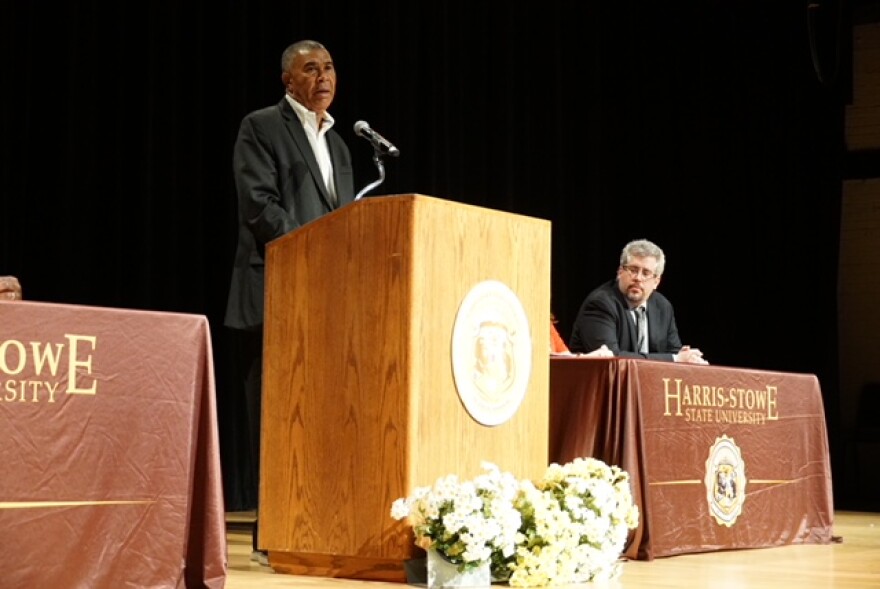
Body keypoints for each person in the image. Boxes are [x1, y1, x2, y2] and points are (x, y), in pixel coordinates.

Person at [224, 39, 355, 563]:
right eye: (310, 69)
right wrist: (313, 250)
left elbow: (344, 217)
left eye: (328, 68)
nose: (322, 77)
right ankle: (272, 532)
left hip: (329, 300)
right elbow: (259, 206)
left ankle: (319, 524)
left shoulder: (341, 145)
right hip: (275, 292)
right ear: (288, 80)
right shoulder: (261, 127)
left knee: (323, 415)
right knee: (275, 417)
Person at [568, 239, 708, 364]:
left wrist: (686, 358)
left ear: (656, 281)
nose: (638, 278)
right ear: (620, 272)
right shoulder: (600, 304)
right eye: (633, 270)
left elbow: (674, 352)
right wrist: (675, 359)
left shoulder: (662, 307)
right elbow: (612, 360)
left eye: (646, 273)